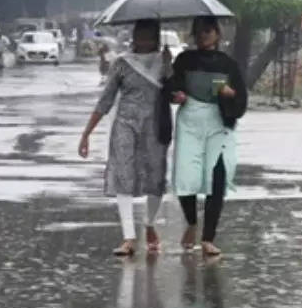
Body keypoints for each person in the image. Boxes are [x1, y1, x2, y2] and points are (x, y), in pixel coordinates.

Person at [78, 19, 170, 256]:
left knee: (156, 178)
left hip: (156, 125)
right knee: (123, 176)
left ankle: (149, 224)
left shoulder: (165, 63)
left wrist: (169, 68)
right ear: (134, 37)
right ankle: (128, 236)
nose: (145, 42)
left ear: (157, 39)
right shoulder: (121, 64)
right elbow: (106, 100)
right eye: (141, 36)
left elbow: (176, 91)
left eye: (150, 37)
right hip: (125, 124)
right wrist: (87, 133)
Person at [168, 16, 247, 257]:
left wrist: (229, 93)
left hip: (218, 122)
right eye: (199, 32)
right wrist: (176, 94)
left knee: (217, 177)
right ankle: (191, 222)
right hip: (190, 119)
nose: (203, 35)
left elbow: (241, 99)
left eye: (208, 31)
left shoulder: (228, 65)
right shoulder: (184, 60)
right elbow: (173, 87)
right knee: (186, 175)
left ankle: (208, 237)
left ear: (217, 34)